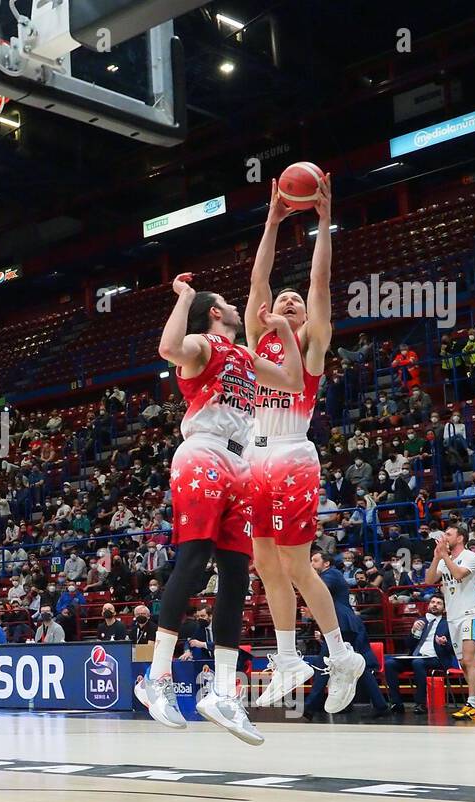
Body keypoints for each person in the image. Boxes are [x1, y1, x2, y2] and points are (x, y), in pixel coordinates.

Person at [134, 268, 304, 746]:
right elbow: (168, 349)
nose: (235, 307)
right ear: (215, 313)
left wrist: (285, 329)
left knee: (237, 573)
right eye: (228, 303)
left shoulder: (247, 358)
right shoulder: (203, 347)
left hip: (240, 462)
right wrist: (184, 296)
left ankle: (223, 692)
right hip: (204, 451)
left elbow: (292, 380)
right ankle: (157, 679)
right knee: (193, 558)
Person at [241, 174, 364, 715]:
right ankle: (289, 657)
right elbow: (258, 282)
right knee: (265, 564)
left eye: (295, 302)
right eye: (282, 299)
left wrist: (320, 220)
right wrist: (271, 221)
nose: (287, 300)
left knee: (296, 566)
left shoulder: (310, 343)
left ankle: (341, 654)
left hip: (291, 453)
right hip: (253, 458)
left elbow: (320, 280)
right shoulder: (256, 337)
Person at [304, 552, 389, 719]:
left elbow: (320, 592)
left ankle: (310, 706)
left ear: (327, 563)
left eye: (315, 561)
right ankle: (380, 705)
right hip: (345, 624)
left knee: (324, 663)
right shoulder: (328, 575)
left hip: (342, 624)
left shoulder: (332, 574)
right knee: (356, 666)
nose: (311, 564)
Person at [425, 521, 475, 720]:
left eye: (449, 534)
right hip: (453, 617)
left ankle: (471, 704)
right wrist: (437, 558)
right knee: (462, 662)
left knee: (470, 659)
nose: (445, 537)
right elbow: (428, 581)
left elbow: (459, 574)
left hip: (471, 613)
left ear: (460, 538)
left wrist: (444, 556)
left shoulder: (470, 556)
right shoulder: (445, 559)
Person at [383, 596, 455, 713]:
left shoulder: (448, 624)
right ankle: (397, 703)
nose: (435, 605)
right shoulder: (420, 621)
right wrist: (414, 631)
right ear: (428, 605)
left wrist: (444, 643)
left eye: (439, 603)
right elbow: (409, 644)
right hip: (416, 656)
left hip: (436, 658)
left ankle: (421, 704)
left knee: (418, 663)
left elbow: (454, 649)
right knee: (390, 664)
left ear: (444, 608)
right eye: (432, 602)